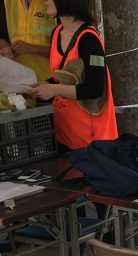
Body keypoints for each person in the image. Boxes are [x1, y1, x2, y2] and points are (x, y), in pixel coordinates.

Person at [26, 0, 118, 152]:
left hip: (91, 142)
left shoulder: (90, 39)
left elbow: (96, 89)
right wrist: (40, 87)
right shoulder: (56, 33)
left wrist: (54, 90)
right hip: (63, 134)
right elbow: (60, 78)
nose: (45, 1)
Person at [0, 0, 56, 81]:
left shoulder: (55, 3)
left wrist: (32, 48)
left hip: (49, 82)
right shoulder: (6, 2)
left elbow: (68, 51)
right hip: (14, 81)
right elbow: (2, 36)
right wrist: (6, 48)